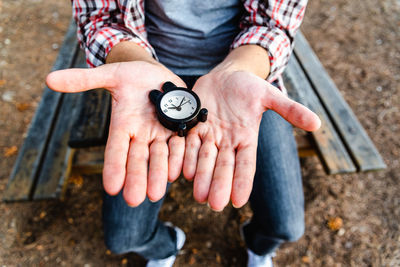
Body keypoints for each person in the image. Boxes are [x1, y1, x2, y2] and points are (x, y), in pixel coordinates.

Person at [46, 0, 320, 266]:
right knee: (124, 237)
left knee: (287, 226)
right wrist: (137, 62)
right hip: (146, 70)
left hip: (243, 78)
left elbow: (275, 25)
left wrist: (239, 68)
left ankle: (258, 245)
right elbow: (99, 18)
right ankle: (166, 247)